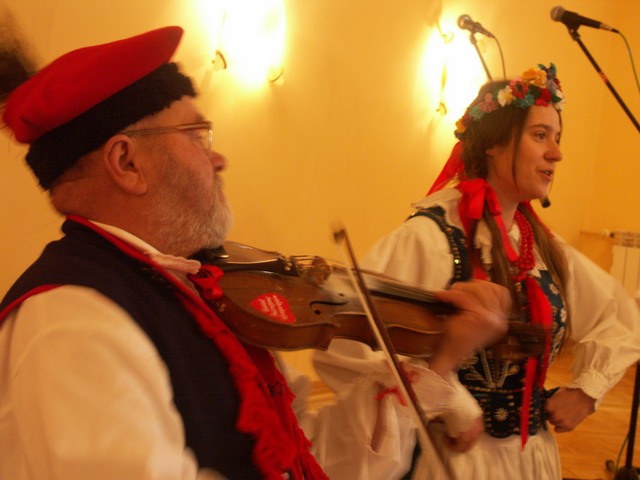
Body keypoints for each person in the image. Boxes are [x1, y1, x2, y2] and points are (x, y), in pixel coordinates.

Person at [0, 26, 512, 480]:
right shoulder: (73, 322)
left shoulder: (201, 288)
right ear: (127, 162)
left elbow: (306, 457)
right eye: (197, 135)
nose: (219, 157)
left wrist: (438, 361)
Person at [309, 63, 640, 479]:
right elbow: (347, 340)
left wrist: (587, 391)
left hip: (531, 458)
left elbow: (619, 316)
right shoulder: (432, 236)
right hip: (453, 460)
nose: (556, 153)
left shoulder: (542, 246)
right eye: (540, 135)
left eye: (557, 138)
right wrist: (451, 402)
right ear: (494, 144)